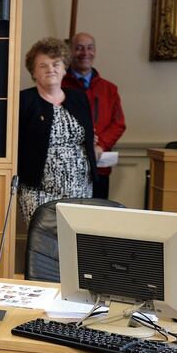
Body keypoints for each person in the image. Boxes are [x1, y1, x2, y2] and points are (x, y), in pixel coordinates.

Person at [19, 37, 97, 224]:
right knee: (44, 246)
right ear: (33, 72)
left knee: (76, 245)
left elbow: (87, 136)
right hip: (38, 192)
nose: (50, 69)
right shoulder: (24, 101)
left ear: (64, 68)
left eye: (56, 64)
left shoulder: (79, 98)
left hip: (81, 189)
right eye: (43, 66)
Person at [62, 32, 126, 199]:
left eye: (90, 48)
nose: (85, 53)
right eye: (79, 48)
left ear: (95, 52)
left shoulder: (109, 89)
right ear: (70, 52)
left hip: (99, 166)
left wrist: (100, 145)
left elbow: (118, 123)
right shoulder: (59, 86)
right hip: (68, 166)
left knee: (98, 217)